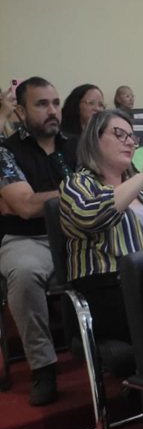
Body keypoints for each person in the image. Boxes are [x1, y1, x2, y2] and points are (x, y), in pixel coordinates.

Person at [60, 110, 143, 351]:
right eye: (120, 134)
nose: (130, 142)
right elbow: (94, 216)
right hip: (107, 290)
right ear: (94, 138)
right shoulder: (77, 184)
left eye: (133, 137)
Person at [0, 77, 78, 405]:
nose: (52, 111)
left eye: (56, 103)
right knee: (25, 273)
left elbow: (109, 191)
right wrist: (79, 193)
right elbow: (24, 207)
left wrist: (39, 199)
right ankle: (43, 367)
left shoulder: (76, 145)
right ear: (20, 110)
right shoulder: (6, 152)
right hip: (26, 239)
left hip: (77, 235)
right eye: (42, 104)